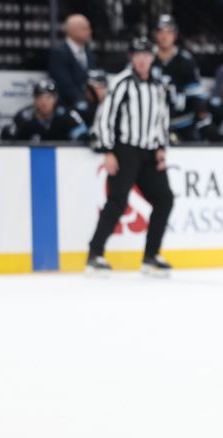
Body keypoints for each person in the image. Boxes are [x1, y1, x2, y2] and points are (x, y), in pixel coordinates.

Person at [88, 37, 173, 278]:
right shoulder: (122, 83)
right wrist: (107, 150)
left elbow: (161, 119)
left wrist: (160, 148)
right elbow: (105, 116)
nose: (142, 59)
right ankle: (95, 254)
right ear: (132, 58)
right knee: (117, 201)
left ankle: (151, 255)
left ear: (152, 57)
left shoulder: (158, 86)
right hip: (125, 150)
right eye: (137, 55)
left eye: (146, 54)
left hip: (149, 152)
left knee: (164, 199)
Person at [152, 14, 207, 143]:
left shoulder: (186, 61)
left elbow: (197, 95)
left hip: (184, 124)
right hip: (152, 125)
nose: (164, 36)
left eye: (169, 32)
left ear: (175, 35)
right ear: (155, 34)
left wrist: (202, 118)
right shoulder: (147, 60)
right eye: (160, 32)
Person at [0, 78, 88, 142]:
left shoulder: (66, 115)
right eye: (40, 98)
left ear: (55, 99)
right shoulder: (23, 117)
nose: (44, 102)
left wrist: (84, 137)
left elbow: (83, 135)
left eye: (48, 98)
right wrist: (7, 133)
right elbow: (8, 140)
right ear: (34, 100)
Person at [49, 14, 97, 110]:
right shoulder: (58, 52)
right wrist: (81, 101)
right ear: (74, 30)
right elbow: (64, 84)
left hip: (89, 108)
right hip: (66, 109)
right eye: (86, 28)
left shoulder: (90, 53)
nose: (90, 31)